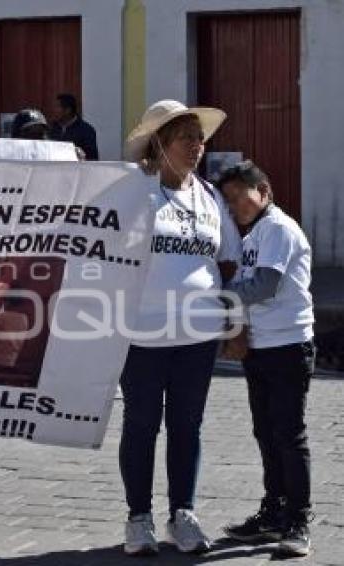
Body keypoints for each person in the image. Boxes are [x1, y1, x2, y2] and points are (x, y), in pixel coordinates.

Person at [119, 100, 242, 555]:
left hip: (198, 337)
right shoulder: (134, 193)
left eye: (199, 137)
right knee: (141, 425)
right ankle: (138, 518)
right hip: (142, 335)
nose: (197, 145)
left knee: (187, 426)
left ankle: (183, 515)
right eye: (185, 137)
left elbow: (226, 257)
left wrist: (228, 312)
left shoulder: (209, 196)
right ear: (159, 144)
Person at [218, 161, 315, 558]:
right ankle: (273, 512)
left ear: (265, 191)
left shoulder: (277, 228)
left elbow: (263, 286)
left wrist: (217, 293)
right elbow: (249, 286)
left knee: (289, 436)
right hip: (261, 346)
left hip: (288, 346)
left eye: (242, 195)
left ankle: (299, 520)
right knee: (266, 432)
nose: (236, 205)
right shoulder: (255, 233)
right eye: (229, 200)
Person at [48, 94, 99, 160]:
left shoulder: (86, 131)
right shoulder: (52, 128)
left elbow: (92, 159)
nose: (54, 110)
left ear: (68, 110)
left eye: (57, 107)